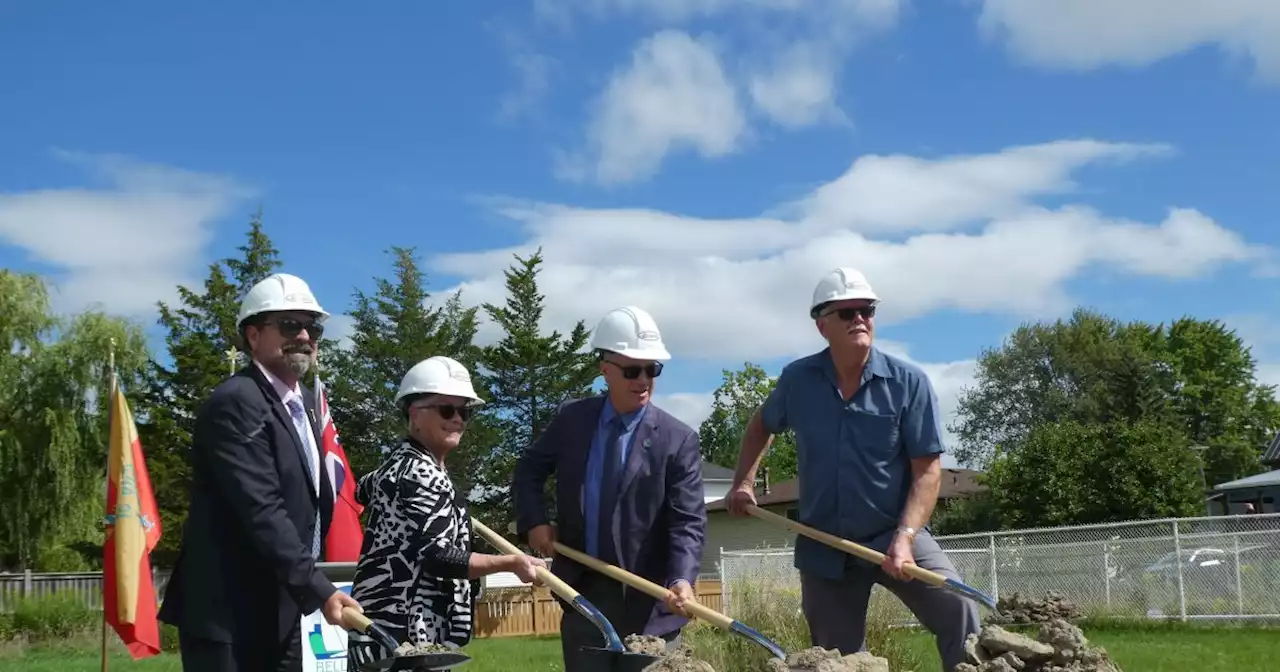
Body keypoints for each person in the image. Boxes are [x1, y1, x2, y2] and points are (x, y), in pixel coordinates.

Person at [725, 267, 980, 672]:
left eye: (867, 310)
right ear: (822, 324)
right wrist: (744, 483)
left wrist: (905, 537)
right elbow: (760, 425)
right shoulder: (798, 380)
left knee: (961, 610)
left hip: (893, 533)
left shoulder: (908, 383)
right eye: (847, 313)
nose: (860, 319)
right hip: (824, 543)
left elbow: (928, 470)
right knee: (835, 659)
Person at [159, 273, 362, 672]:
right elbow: (262, 510)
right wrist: (320, 590)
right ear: (252, 336)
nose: (304, 335)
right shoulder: (236, 403)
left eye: (312, 326)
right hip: (229, 619)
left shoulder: (303, 405)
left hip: (280, 615)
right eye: (289, 324)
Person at [513, 306, 707, 672]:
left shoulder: (677, 440)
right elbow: (529, 468)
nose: (644, 379)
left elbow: (688, 523)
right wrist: (535, 520)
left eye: (653, 370)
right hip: (583, 592)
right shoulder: (572, 420)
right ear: (605, 369)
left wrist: (682, 577)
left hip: (651, 600)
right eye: (633, 370)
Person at [347, 356, 546, 671]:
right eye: (446, 409)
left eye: (464, 411)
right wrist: (510, 562)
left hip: (384, 631)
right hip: (403, 637)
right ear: (414, 414)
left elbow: (364, 487)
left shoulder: (400, 466)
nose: (458, 419)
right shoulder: (419, 473)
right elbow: (439, 557)